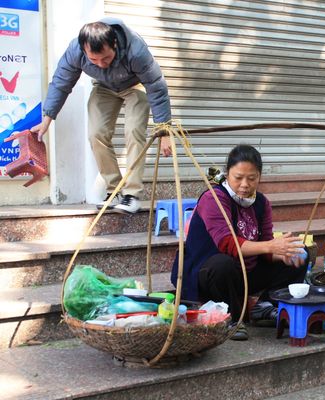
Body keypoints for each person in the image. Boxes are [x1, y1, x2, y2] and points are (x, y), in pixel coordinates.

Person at [31, 18, 173, 214]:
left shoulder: (136, 50)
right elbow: (61, 82)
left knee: (133, 131)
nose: (101, 64)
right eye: (93, 60)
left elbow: (156, 86)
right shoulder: (75, 50)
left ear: (114, 43)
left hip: (135, 86)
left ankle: (132, 194)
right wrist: (47, 118)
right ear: (84, 50)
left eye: (106, 58)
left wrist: (164, 130)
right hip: (104, 87)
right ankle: (114, 190)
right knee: (96, 134)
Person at [171, 144, 308, 341]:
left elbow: (264, 247)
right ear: (227, 175)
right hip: (208, 274)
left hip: (245, 273)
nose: (245, 184)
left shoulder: (261, 203)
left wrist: (283, 252)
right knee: (223, 263)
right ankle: (231, 318)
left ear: (259, 177)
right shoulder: (214, 198)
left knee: (298, 255)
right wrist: (271, 246)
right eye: (238, 178)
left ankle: (263, 307)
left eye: (251, 179)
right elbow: (228, 243)